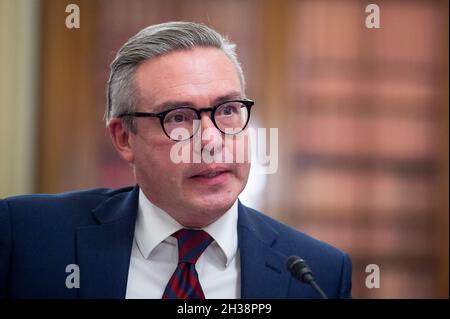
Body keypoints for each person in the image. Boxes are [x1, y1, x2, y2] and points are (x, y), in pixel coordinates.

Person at [0, 21, 351, 299]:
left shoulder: (318, 274)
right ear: (124, 138)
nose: (211, 140)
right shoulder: (26, 238)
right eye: (179, 117)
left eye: (228, 110)